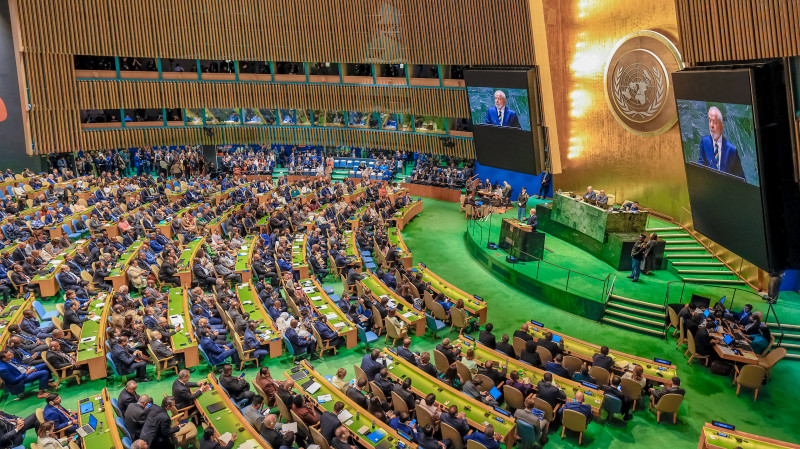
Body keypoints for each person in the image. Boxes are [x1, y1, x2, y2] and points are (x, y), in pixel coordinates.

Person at [698, 106, 745, 180]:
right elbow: (700, 165)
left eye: (714, 122)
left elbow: (741, 179)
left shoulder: (731, 150)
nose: (711, 125)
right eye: (709, 121)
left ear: (722, 127)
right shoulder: (704, 142)